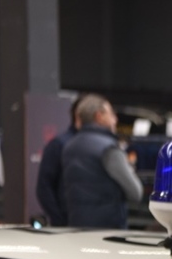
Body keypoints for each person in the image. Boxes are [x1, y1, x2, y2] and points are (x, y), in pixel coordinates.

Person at [62, 94, 143, 228]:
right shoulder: (109, 149)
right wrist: (129, 168)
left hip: (76, 226)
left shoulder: (70, 146)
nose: (115, 119)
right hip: (108, 230)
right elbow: (136, 192)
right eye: (111, 114)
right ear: (99, 116)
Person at [36, 95, 83, 226]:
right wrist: (59, 219)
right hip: (67, 222)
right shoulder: (59, 144)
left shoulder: (101, 145)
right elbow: (44, 186)